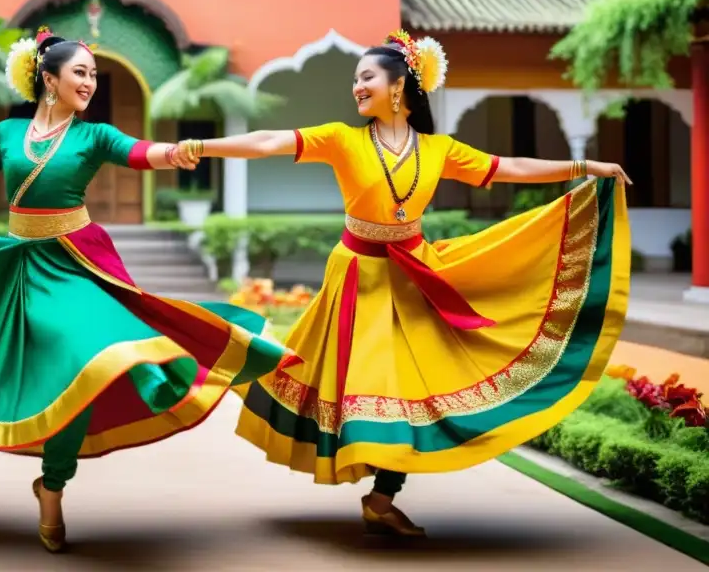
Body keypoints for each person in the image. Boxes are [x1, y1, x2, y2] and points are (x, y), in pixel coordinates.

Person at [0, 29, 297, 553]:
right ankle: (54, 484)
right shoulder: (7, 133)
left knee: (88, 356)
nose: (90, 82)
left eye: (94, 75)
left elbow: (144, 152)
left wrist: (180, 151)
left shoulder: (95, 135)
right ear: (48, 79)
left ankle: (58, 477)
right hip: (18, 265)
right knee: (62, 374)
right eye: (80, 73)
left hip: (75, 262)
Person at [180, 30, 632, 537]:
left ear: (399, 86)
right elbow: (267, 141)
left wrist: (584, 166)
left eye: (365, 76)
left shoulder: (439, 149)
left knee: (418, 387)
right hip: (357, 277)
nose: (356, 86)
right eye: (355, 79)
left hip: (416, 275)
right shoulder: (341, 138)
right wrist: (200, 145)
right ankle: (375, 477)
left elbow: (509, 168)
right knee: (370, 385)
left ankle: (381, 497)